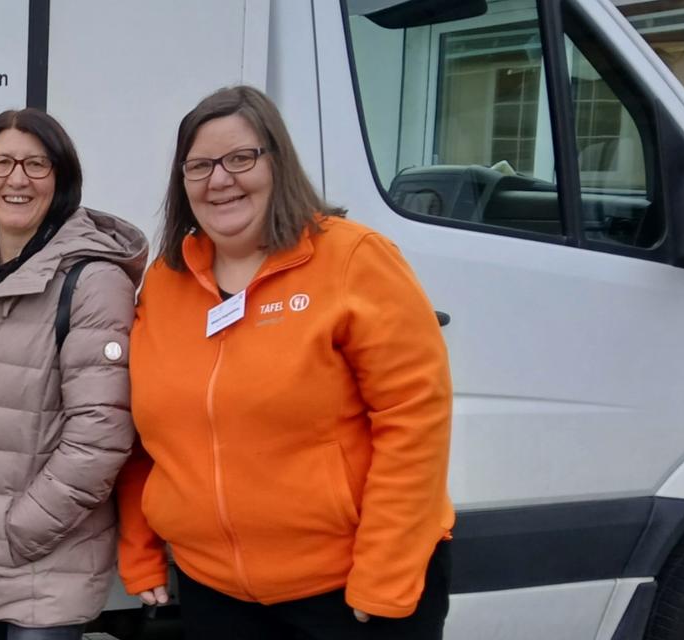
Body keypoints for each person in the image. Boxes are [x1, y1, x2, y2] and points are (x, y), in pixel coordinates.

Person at [117, 85, 454, 639]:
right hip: (215, 593)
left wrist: (386, 574)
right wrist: (140, 548)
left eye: (240, 158)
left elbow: (415, 420)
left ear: (278, 162)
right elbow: (141, 433)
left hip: (349, 592)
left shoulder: (353, 259)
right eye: (199, 165)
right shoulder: (164, 281)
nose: (219, 179)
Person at [0, 108, 145, 639]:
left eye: (36, 164)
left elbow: (101, 435)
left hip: (45, 559)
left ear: (61, 177)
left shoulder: (93, 280)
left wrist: (22, 527)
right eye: (0, 162)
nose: (16, 179)